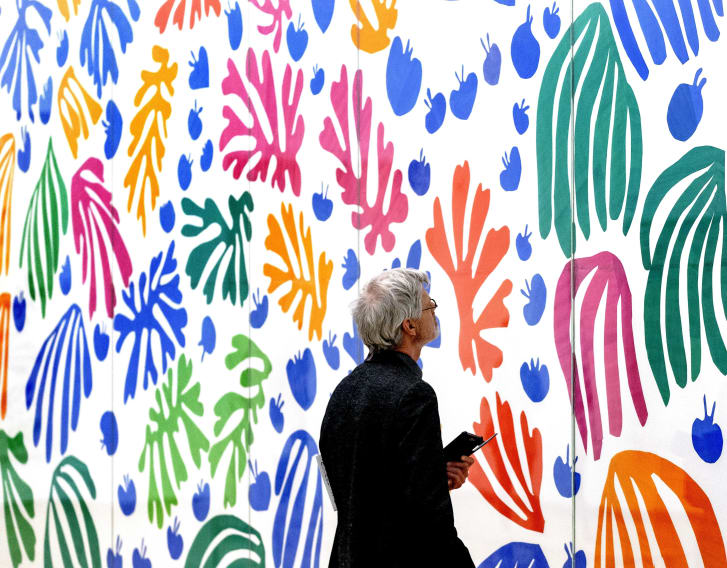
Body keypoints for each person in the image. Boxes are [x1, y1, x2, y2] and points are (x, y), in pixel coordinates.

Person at [319, 268, 476, 567]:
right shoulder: (414, 396)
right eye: (430, 306)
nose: (435, 311)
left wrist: (432, 473)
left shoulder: (343, 392)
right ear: (410, 326)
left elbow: (357, 487)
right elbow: (430, 519)